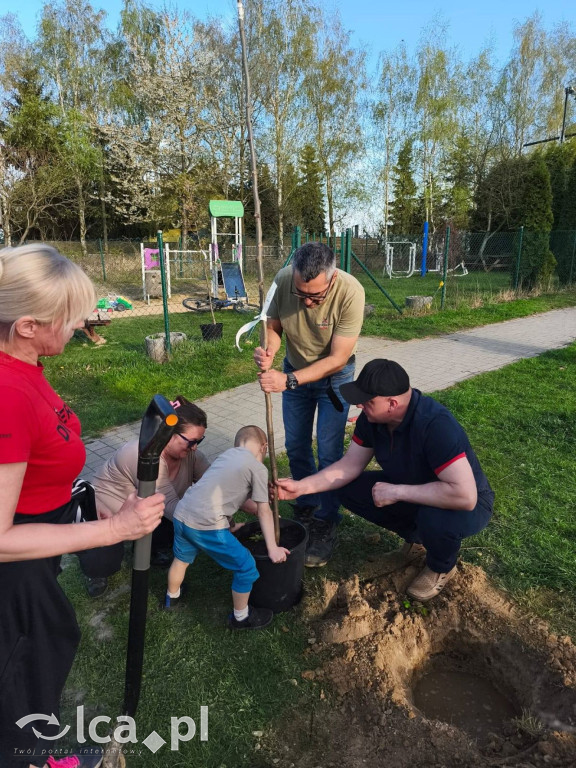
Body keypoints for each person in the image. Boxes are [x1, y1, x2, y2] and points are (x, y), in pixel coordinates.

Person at [0, 244, 166, 768]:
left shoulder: (22, 366)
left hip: (38, 545)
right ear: (28, 324)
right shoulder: (6, 393)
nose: (80, 326)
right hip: (15, 565)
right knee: (26, 664)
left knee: (40, 650)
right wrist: (112, 530)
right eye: (71, 318)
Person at [277, 359, 494, 602]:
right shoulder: (372, 420)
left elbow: (464, 496)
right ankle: (417, 541)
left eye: (368, 401)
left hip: (468, 504)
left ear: (392, 403)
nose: (359, 405)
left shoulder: (435, 426)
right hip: (417, 490)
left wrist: (398, 492)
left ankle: (441, 566)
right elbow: (348, 467)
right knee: (347, 488)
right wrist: (301, 487)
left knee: (434, 518)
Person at [254, 242, 365, 568]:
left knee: (329, 450)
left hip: (335, 379)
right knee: (297, 444)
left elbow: (338, 358)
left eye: (314, 297)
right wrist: (270, 351)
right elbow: (273, 326)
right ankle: (305, 504)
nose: (306, 302)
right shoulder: (284, 279)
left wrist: (288, 380)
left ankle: (326, 518)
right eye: (301, 293)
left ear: (331, 280)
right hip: (293, 370)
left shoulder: (351, 292)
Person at [164, 425, 290, 629]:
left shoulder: (226, 457)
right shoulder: (257, 467)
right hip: (206, 525)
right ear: (264, 447)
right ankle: (241, 617)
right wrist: (272, 548)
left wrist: (231, 524)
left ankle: (172, 597)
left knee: (181, 559)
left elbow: (223, 497)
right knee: (246, 566)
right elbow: (264, 510)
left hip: (182, 514)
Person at [83, 397, 210, 596]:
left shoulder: (191, 455)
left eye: (199, 441)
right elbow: (171, 506)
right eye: (191, 441)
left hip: (145, 509)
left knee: (171, 524)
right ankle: (96, 570)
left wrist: (251, 503)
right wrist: (216, 526)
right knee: (104, 558)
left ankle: (151, 549)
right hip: (108, 512)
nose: (195, 447)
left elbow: (214, 483)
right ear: (168, 434)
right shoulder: (142, 454)